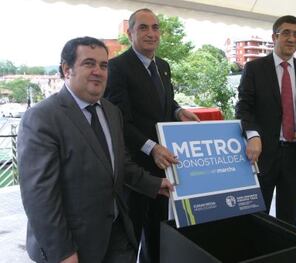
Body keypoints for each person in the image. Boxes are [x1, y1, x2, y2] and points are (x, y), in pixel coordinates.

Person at [17, 36, 173, 263]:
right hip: (74, 246)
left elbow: (120, 164)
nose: (98, 72)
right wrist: (62, 252)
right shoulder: (42, 118)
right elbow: (40, 196)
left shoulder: (112, 112)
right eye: (89, 63)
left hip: (118, 235)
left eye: (103, 65)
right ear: (66, 69)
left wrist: (155, 184)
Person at [104, 8, 199, 263]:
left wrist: (178, 111)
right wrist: (151, 147)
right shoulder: (117, 68)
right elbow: (120, 119)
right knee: (130, 237)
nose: (151, 33)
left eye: (155, 28)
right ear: (130, 32)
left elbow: (163, 101)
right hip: (134, 170)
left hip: (163, 166)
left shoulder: (163, 66)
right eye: (143, 28)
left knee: (158, 234)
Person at [235, 15, 296, 226]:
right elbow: (243, 108)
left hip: (294, 154)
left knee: (288, 219)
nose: (291, 39)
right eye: (286, 33)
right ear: (274, 36)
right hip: (263, 154)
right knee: (258, 216)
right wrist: (253, 135)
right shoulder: (255, 68)